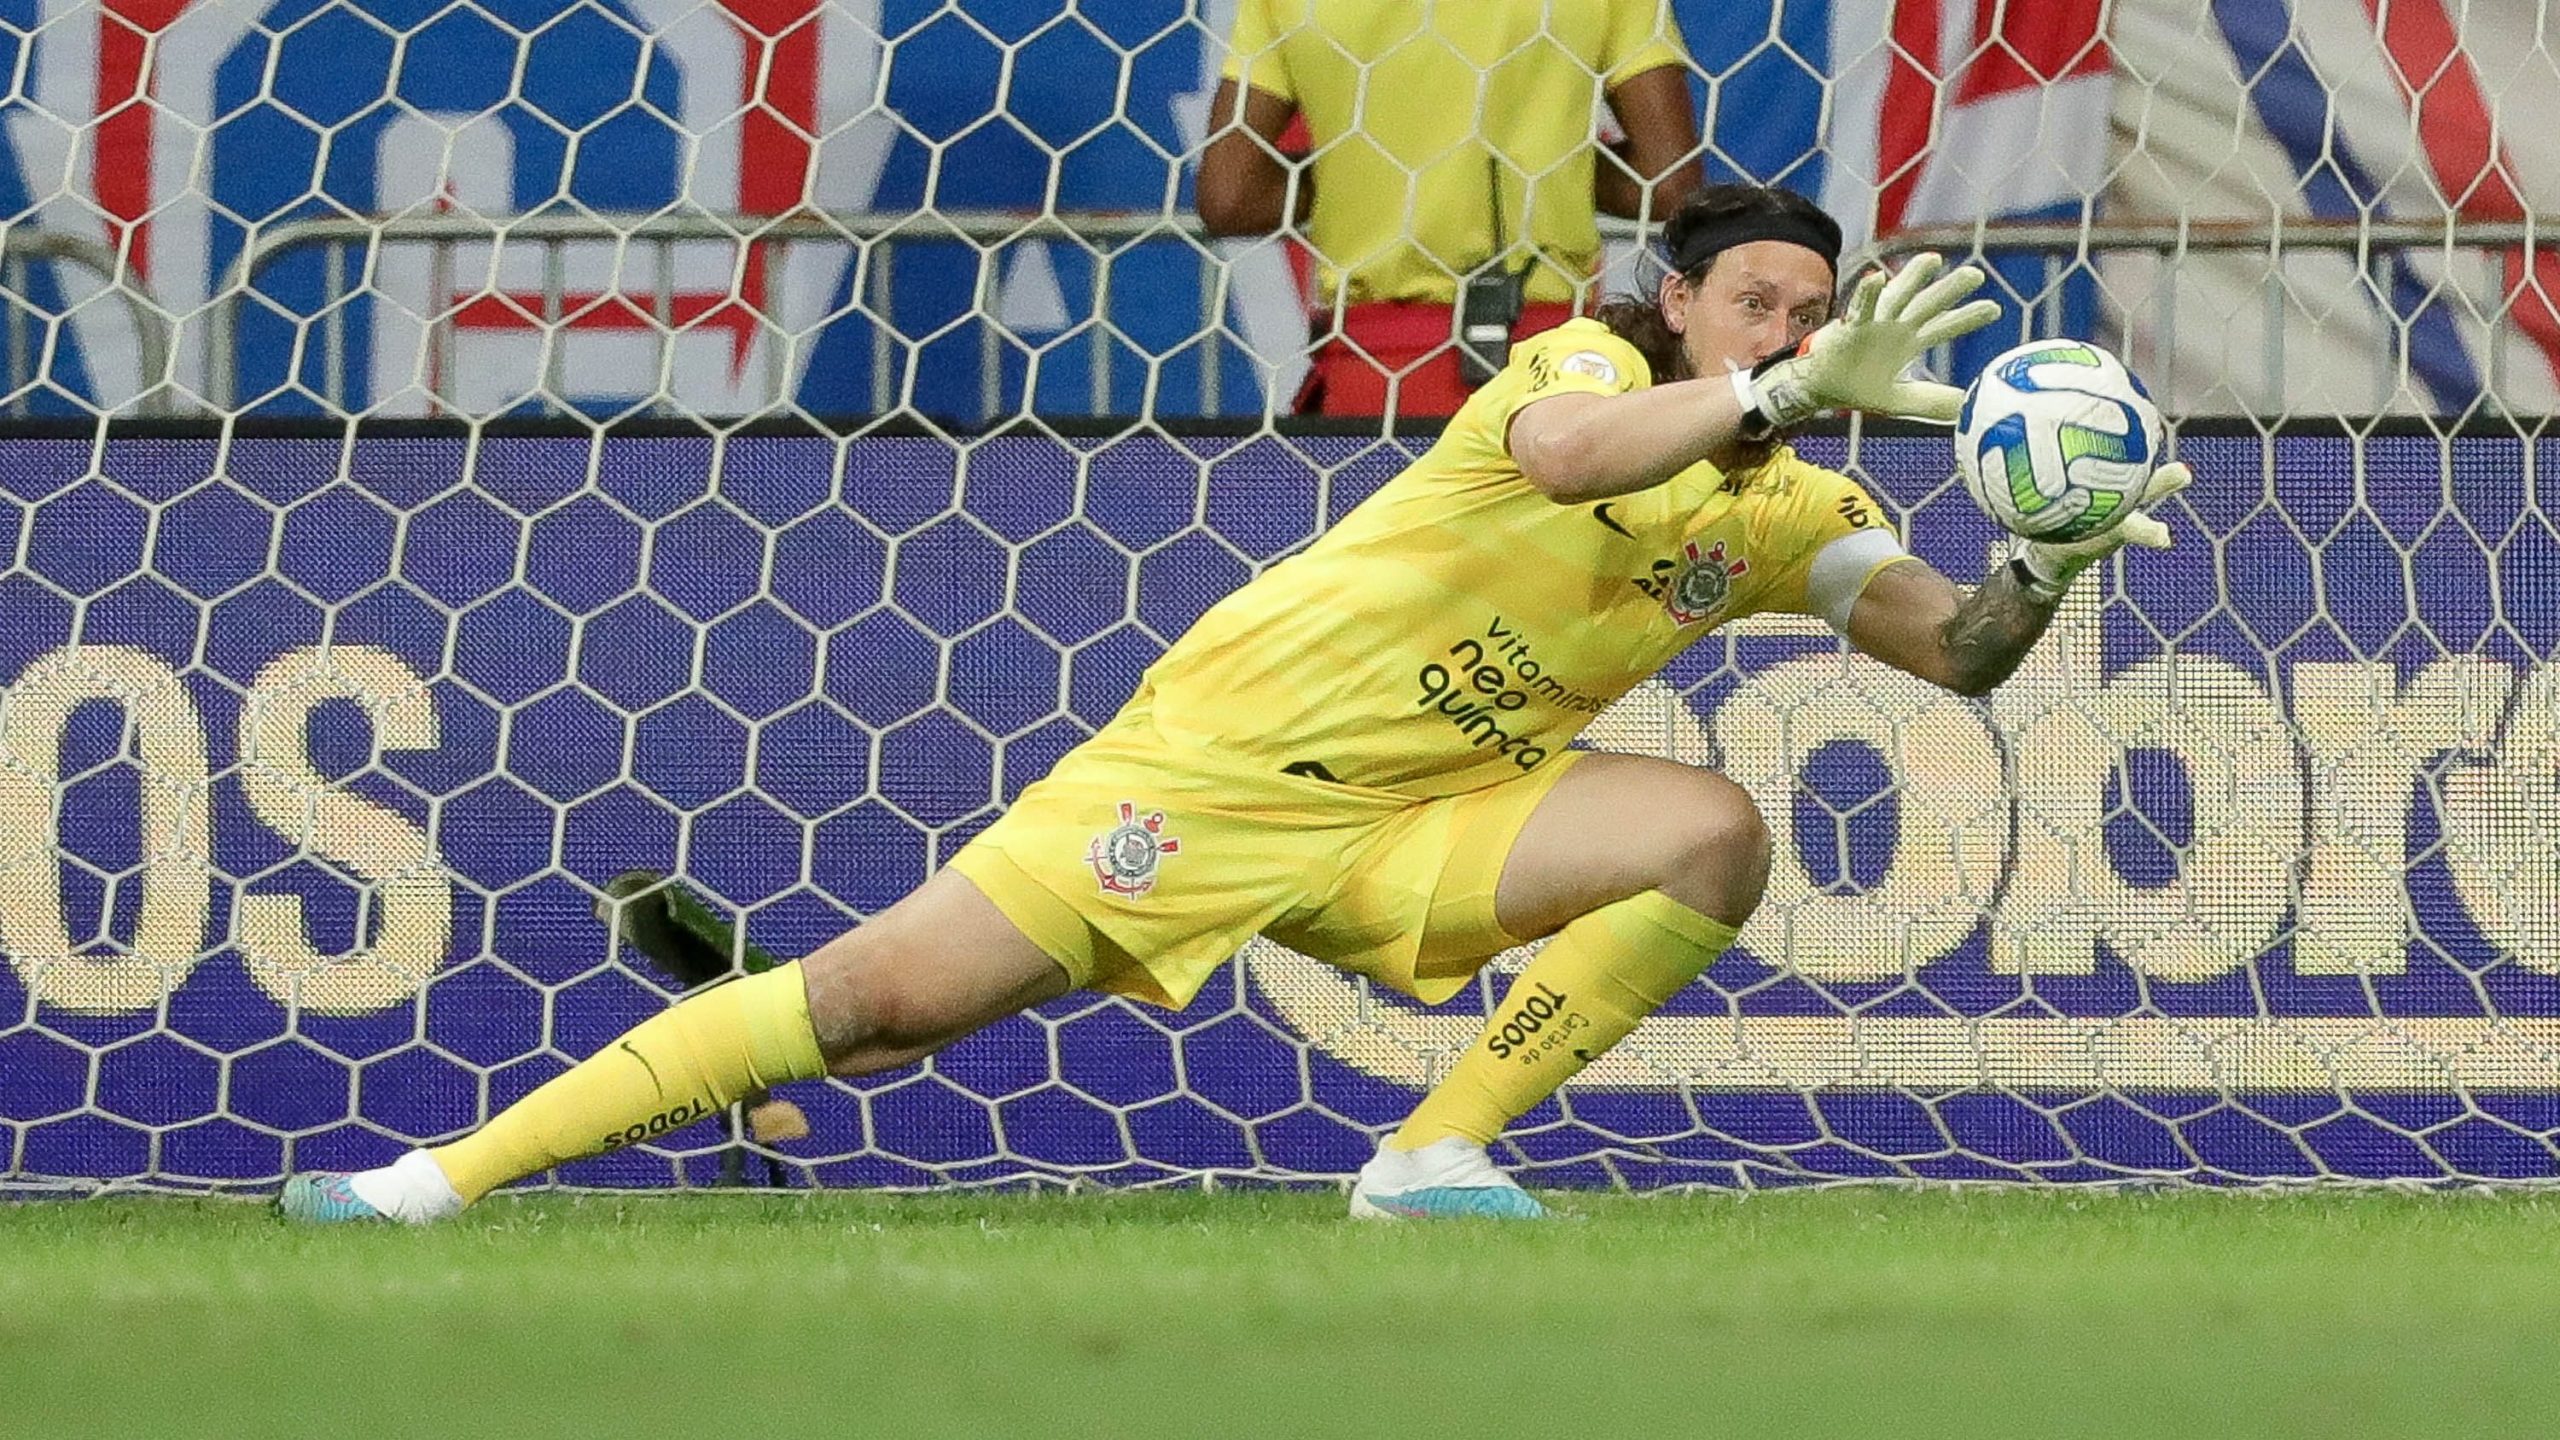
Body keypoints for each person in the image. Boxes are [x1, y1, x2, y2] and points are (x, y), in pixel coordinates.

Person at [282, 184, 2192, 1224]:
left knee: (1710, 826)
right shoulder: (1586, 357)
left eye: (1814, 311)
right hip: (1215, 773)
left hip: (1420, 821)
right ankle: (433, 1182)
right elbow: (1582, 454)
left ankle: (1428, 1156)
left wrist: (2055, 555)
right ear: (1683, 304)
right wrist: (1775, 391)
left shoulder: (1799, 508)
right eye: (1764, 305)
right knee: (882, 1009)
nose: (1794, 333)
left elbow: (1953, 652)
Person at [1195, 0, 1702, 418]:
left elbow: (1230, 197)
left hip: (1375, 373)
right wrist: (1548, 161)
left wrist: (1357, 165)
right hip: (1552, 372)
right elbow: (1668, 184)